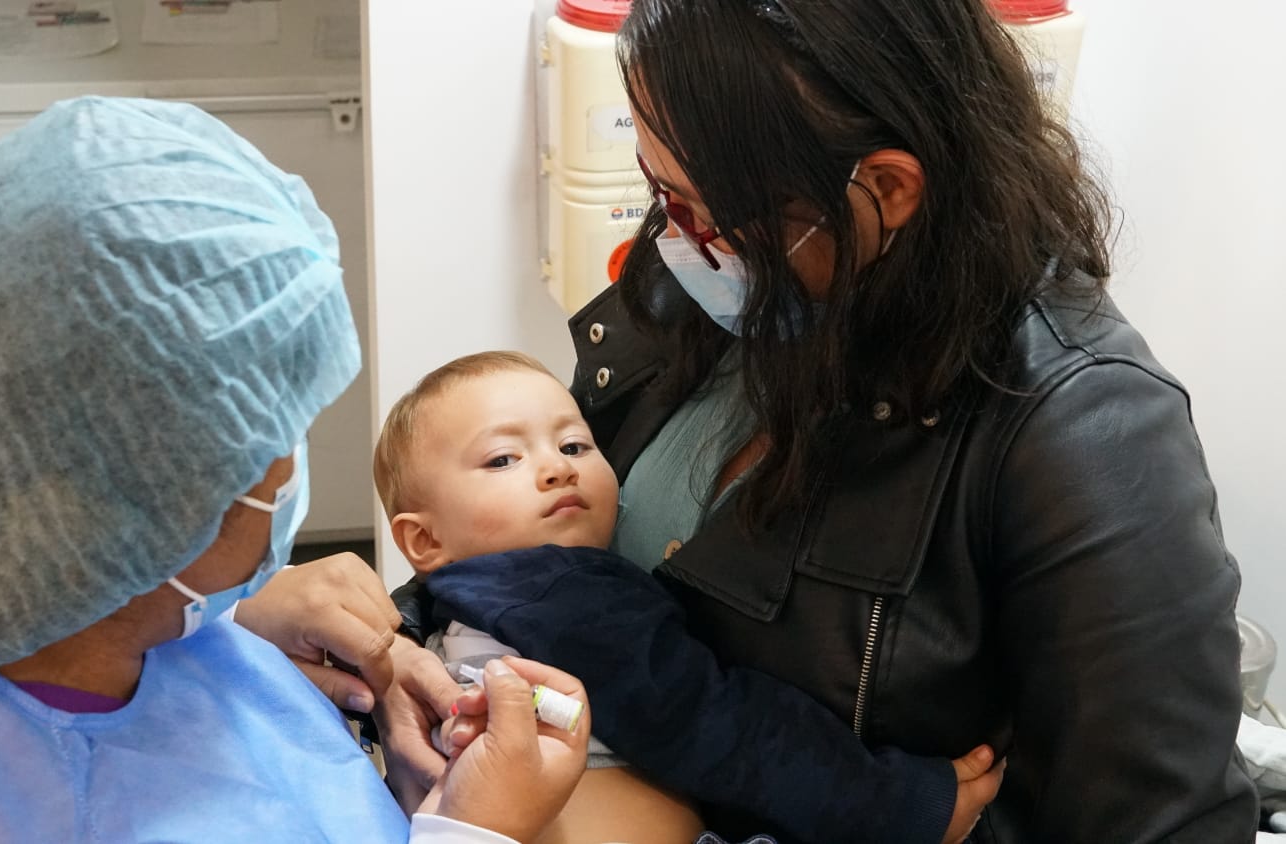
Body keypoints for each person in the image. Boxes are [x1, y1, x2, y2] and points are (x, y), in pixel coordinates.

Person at [382, 0, 1260, 841]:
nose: (675, 235)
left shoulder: (1085, 430)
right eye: (659, 187)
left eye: (707, 211)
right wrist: (401, 654)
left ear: (884, 186)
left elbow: (1162, 822)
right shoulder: (706, 278)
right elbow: (532, 563)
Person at [0, 96, 591, 844]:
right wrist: (479, 830)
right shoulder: (86, 811)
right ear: (142, 531)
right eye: (273, 432)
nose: (288, 469)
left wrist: (231, 613)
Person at [376, 350, 1000, 844]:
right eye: (504, 459)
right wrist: (895, 805)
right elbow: (721, 725)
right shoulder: (561, 599)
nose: (557, 468)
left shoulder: (461, 606)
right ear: (424, 539)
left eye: (574, 445)